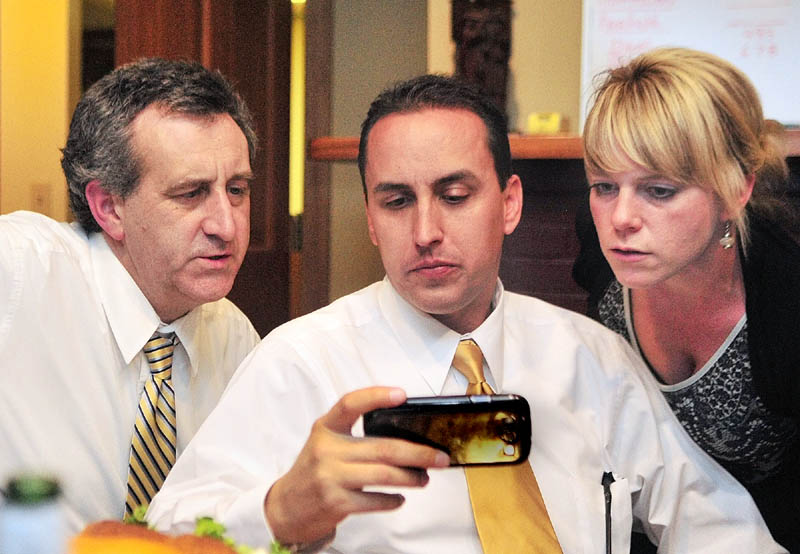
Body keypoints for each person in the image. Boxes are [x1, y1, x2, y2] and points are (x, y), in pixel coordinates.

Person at [147, 74, 784, 553]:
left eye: (454, 196)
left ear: (509, 203)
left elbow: (719, 529)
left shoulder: (592, 358)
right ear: (369, 218)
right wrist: (279, 511)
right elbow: (168, 536)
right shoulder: (301, 363)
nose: (426, 231)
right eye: (397, 202)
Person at [0, 58, 261, 533]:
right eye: (190, 193)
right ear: (108, 207)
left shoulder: (234, 339)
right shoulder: (22, 270)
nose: (227, 225)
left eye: (237, 190)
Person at [572, 47, 800, 552]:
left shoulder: (785, 296)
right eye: (604, 186)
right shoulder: (602, 260)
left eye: (659, 190)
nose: (620, 218)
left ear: (736, 190)